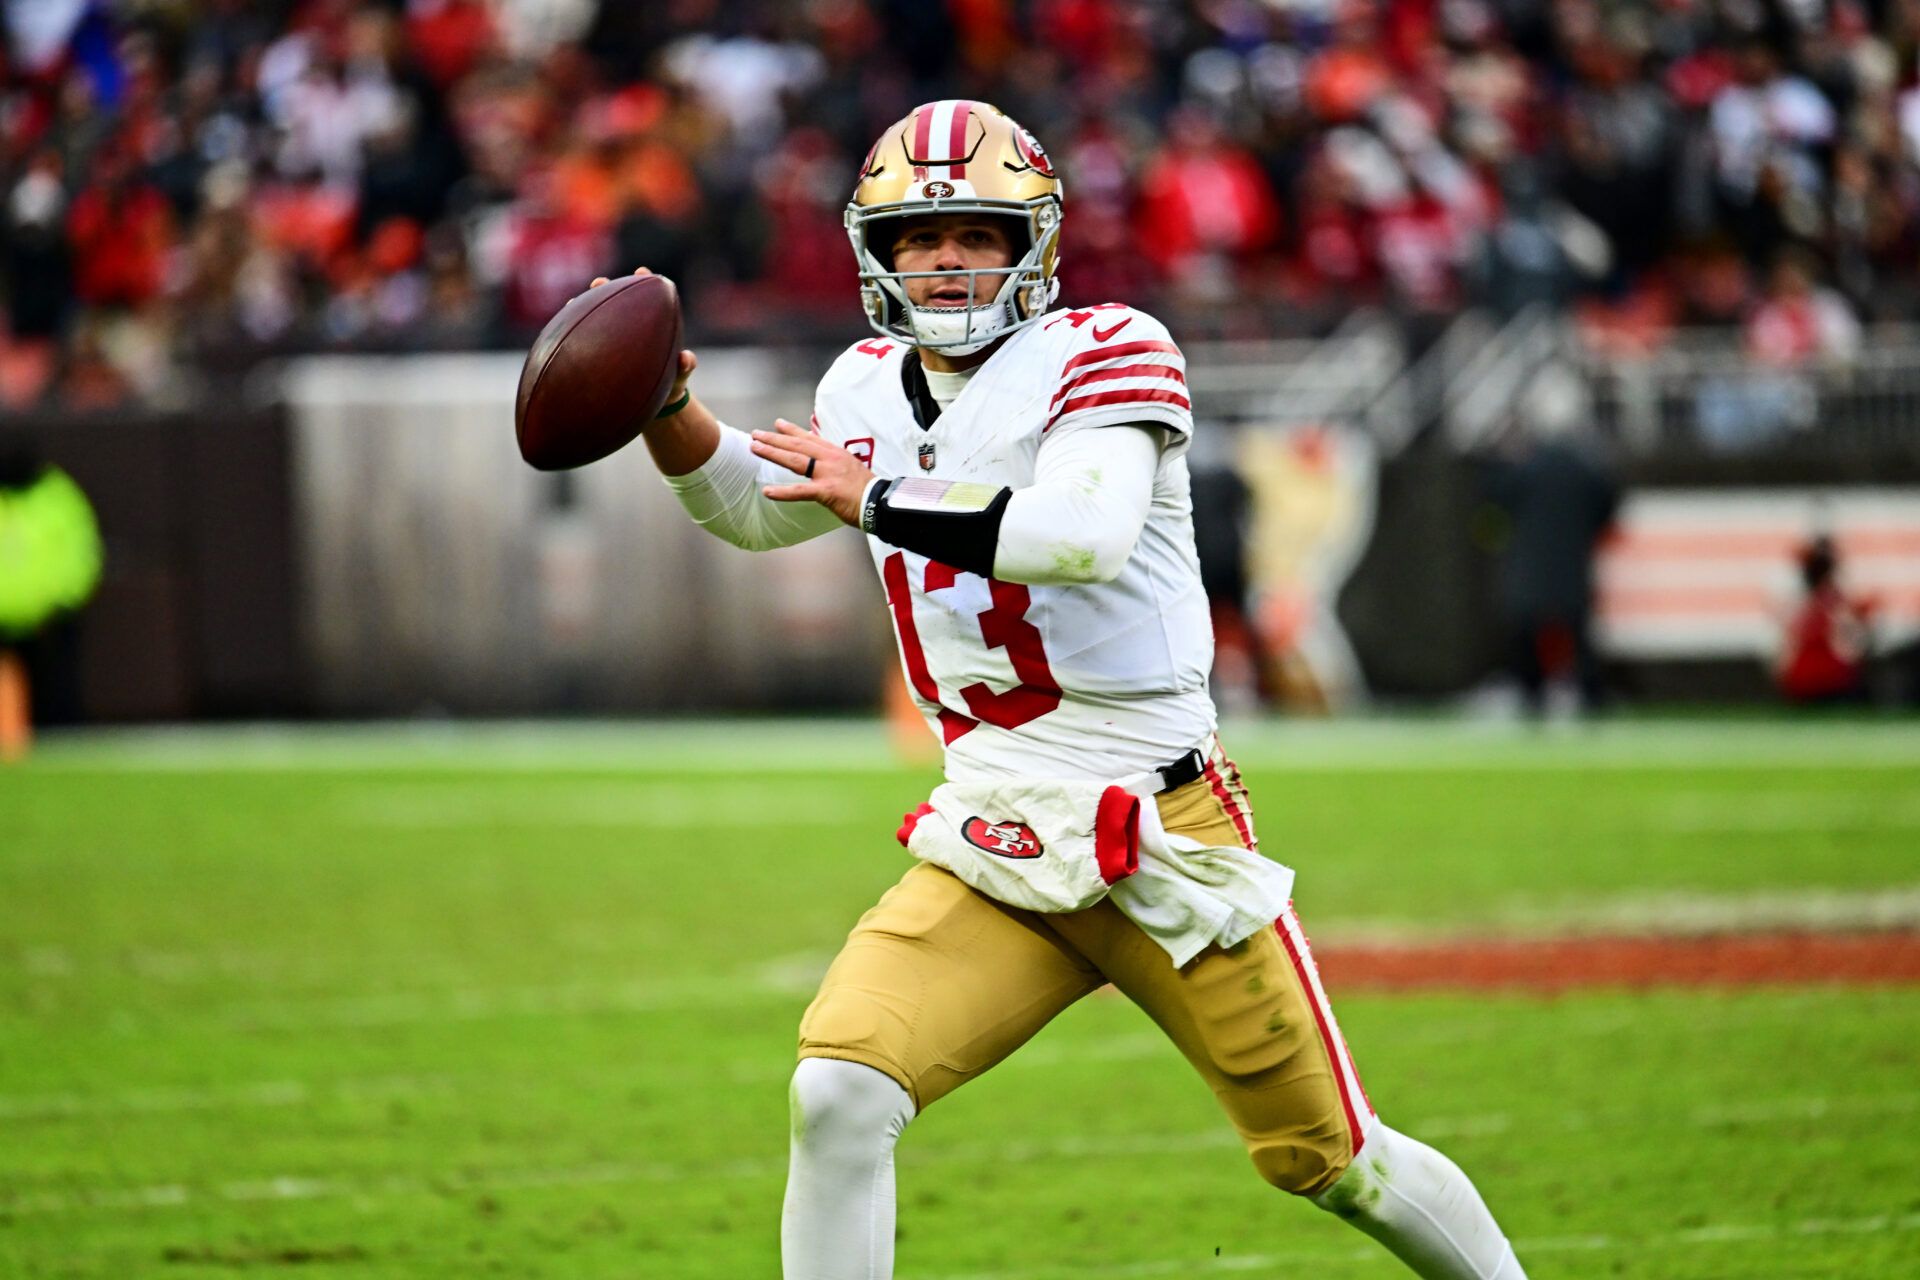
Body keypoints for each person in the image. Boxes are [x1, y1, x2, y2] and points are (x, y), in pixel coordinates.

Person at [603, 101, 1527, 1280]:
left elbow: (1081, 533)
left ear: (1030, 240)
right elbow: (753, 507)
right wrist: (667, 413)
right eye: (918, 239)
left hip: (1155, 828)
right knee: (837, 1087)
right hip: (994, 830)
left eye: (977, 232)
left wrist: (876, 497)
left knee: (1336, 1158)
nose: (945, 260)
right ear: (874, 251)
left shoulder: (1110, 345)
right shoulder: (868, 385)